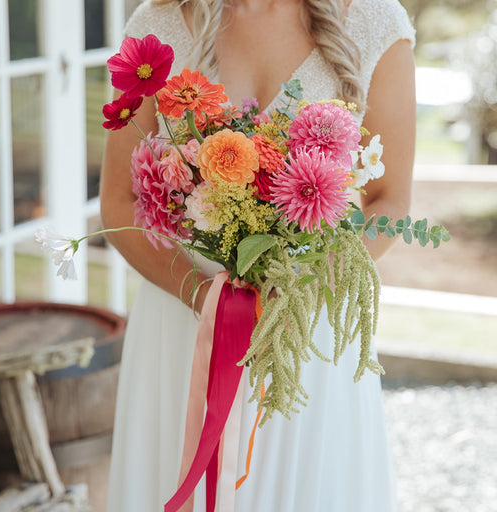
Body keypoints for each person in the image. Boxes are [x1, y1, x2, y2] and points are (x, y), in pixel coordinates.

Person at [100, 0, 416, 510]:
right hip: (182, 329)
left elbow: (391, 201)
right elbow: (118, 202)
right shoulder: (157, 26)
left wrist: (300, 291)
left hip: (304, 328)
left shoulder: (375, 22)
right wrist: (204, 297)